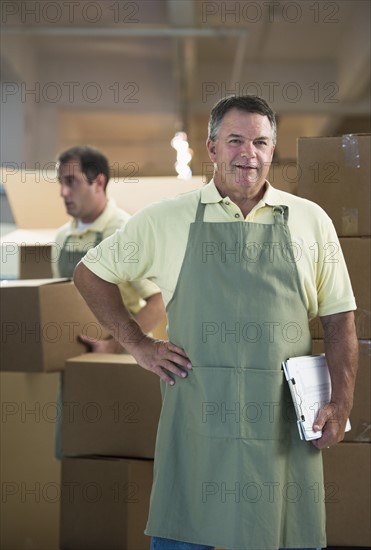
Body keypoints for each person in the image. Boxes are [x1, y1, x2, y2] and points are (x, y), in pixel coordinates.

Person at [73, 96, 358, 550]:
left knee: (286, 533)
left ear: (272, 149)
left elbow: (341, 318)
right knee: (186, 530)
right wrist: (137, 343)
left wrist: (341, 405)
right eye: (236, 140)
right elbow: (89, 273)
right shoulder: (166, 219)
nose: (249, 153)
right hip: (198, 423)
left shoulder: (310, 221)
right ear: (211, 148)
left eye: (261, 142)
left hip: (282, 427)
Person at [52, 145, 165, 351]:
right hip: (75, 355)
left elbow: (158, 303)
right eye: (61, 183)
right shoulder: (62, 237)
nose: (63, 192)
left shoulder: (125, 232)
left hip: (123, 360)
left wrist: (113, 347)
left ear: (99, 182)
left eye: (71, 182)